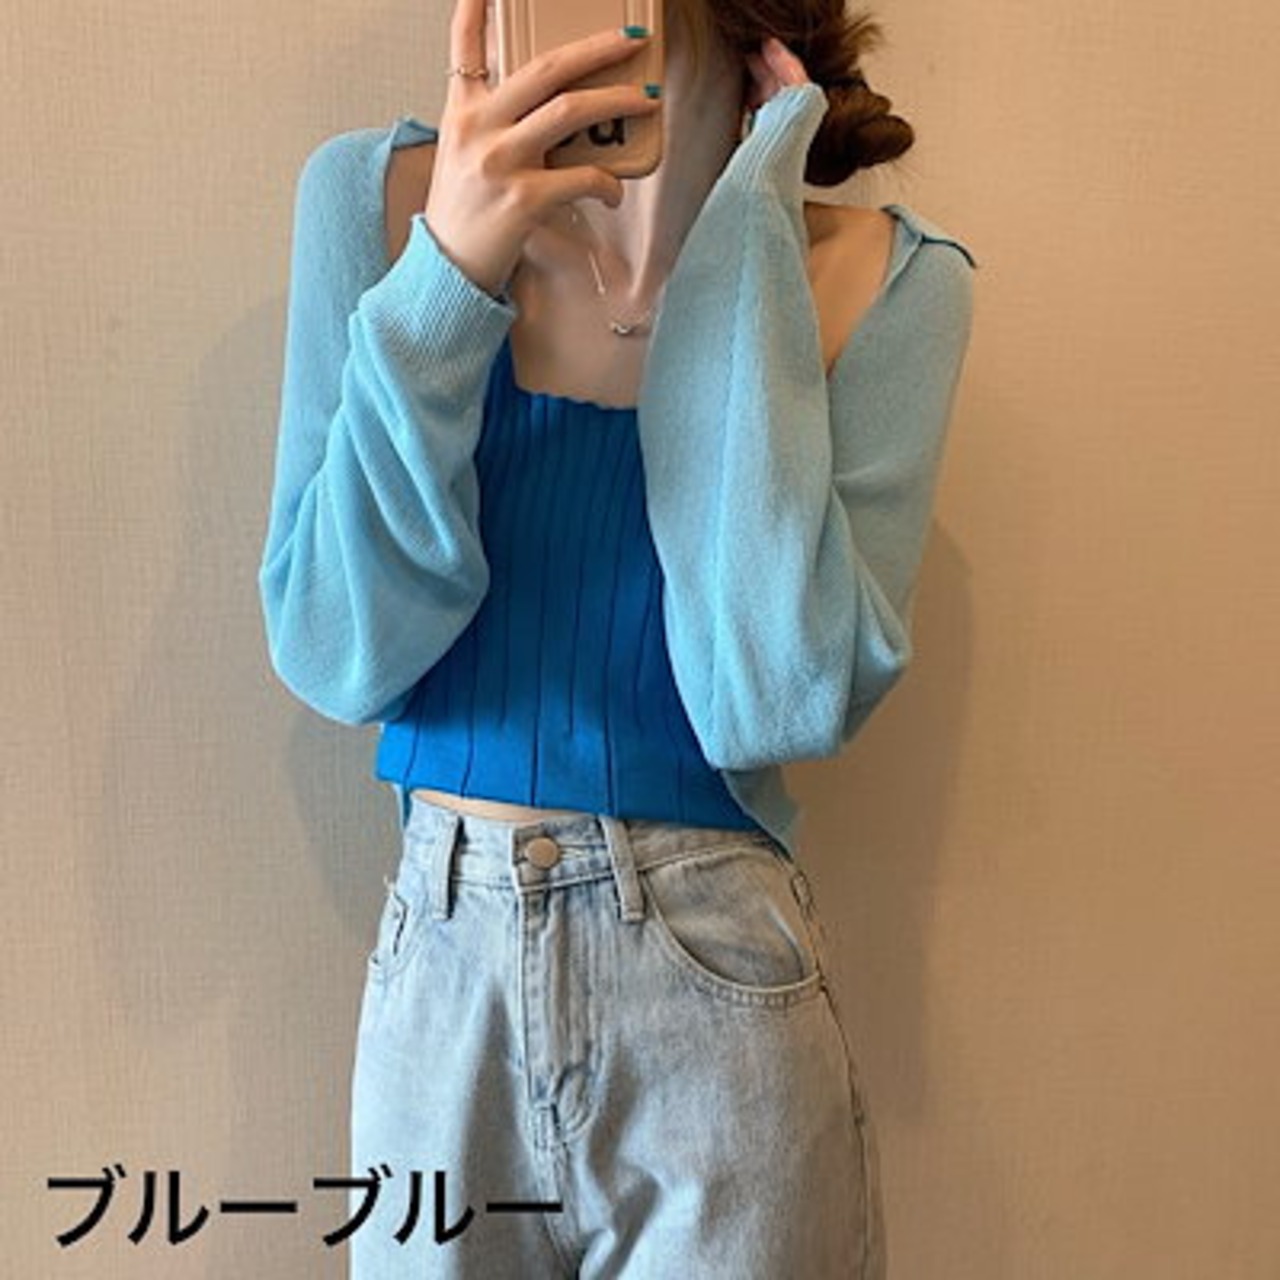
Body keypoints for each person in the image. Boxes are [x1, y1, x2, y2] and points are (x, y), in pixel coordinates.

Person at [258, 0, 976, 1271]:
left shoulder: (887, 279)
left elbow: (770, 696)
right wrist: (447, 279)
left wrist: (744, 244)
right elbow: (336, 650)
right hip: (445, 971)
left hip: (720, 981)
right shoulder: (376, 203)